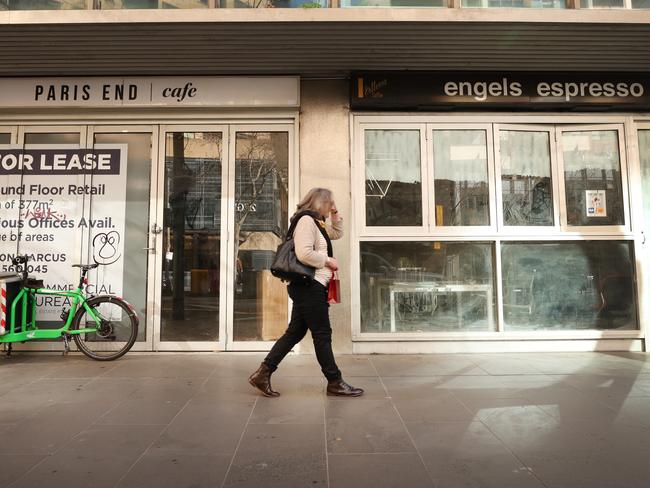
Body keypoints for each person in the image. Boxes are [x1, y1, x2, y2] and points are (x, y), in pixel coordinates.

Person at [248, 188, 364, 398]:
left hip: (309, 286)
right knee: (322, 334)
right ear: (321, 203)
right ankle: (334, 381)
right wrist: (327, 261)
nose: (331, 208)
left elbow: (337, 233)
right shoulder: (306, 222)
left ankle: (262, 374)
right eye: (330, 203)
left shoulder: (317, 224)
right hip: (308, 286)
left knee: (295, 332)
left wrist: (336, 213)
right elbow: (303, 254)